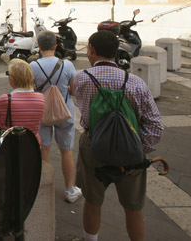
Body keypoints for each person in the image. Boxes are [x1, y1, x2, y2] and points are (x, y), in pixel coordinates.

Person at [74, 31, 164, 241]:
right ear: (116, 52)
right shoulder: (136, 82)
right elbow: (155, 126)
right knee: (133, 207)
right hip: (131, 151)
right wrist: (139, 148)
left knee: (92, 201)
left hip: (94, 145)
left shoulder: (81, 79)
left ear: (92, 50)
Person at [30, 31, 82, 203]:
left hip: (42, 112)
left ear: (39, 46)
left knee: (44, 150)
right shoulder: (67, 65)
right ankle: (69, 189)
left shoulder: (33, 66)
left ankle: (46, 189)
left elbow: (31, 91)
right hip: (64, 112)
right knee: (66, 151)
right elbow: (74, 91)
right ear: (55, 46)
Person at [0, 58, 45, 144]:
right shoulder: (41, 99)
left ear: (13, 79)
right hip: (32, 144)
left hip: (8, 145)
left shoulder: (5, 100)